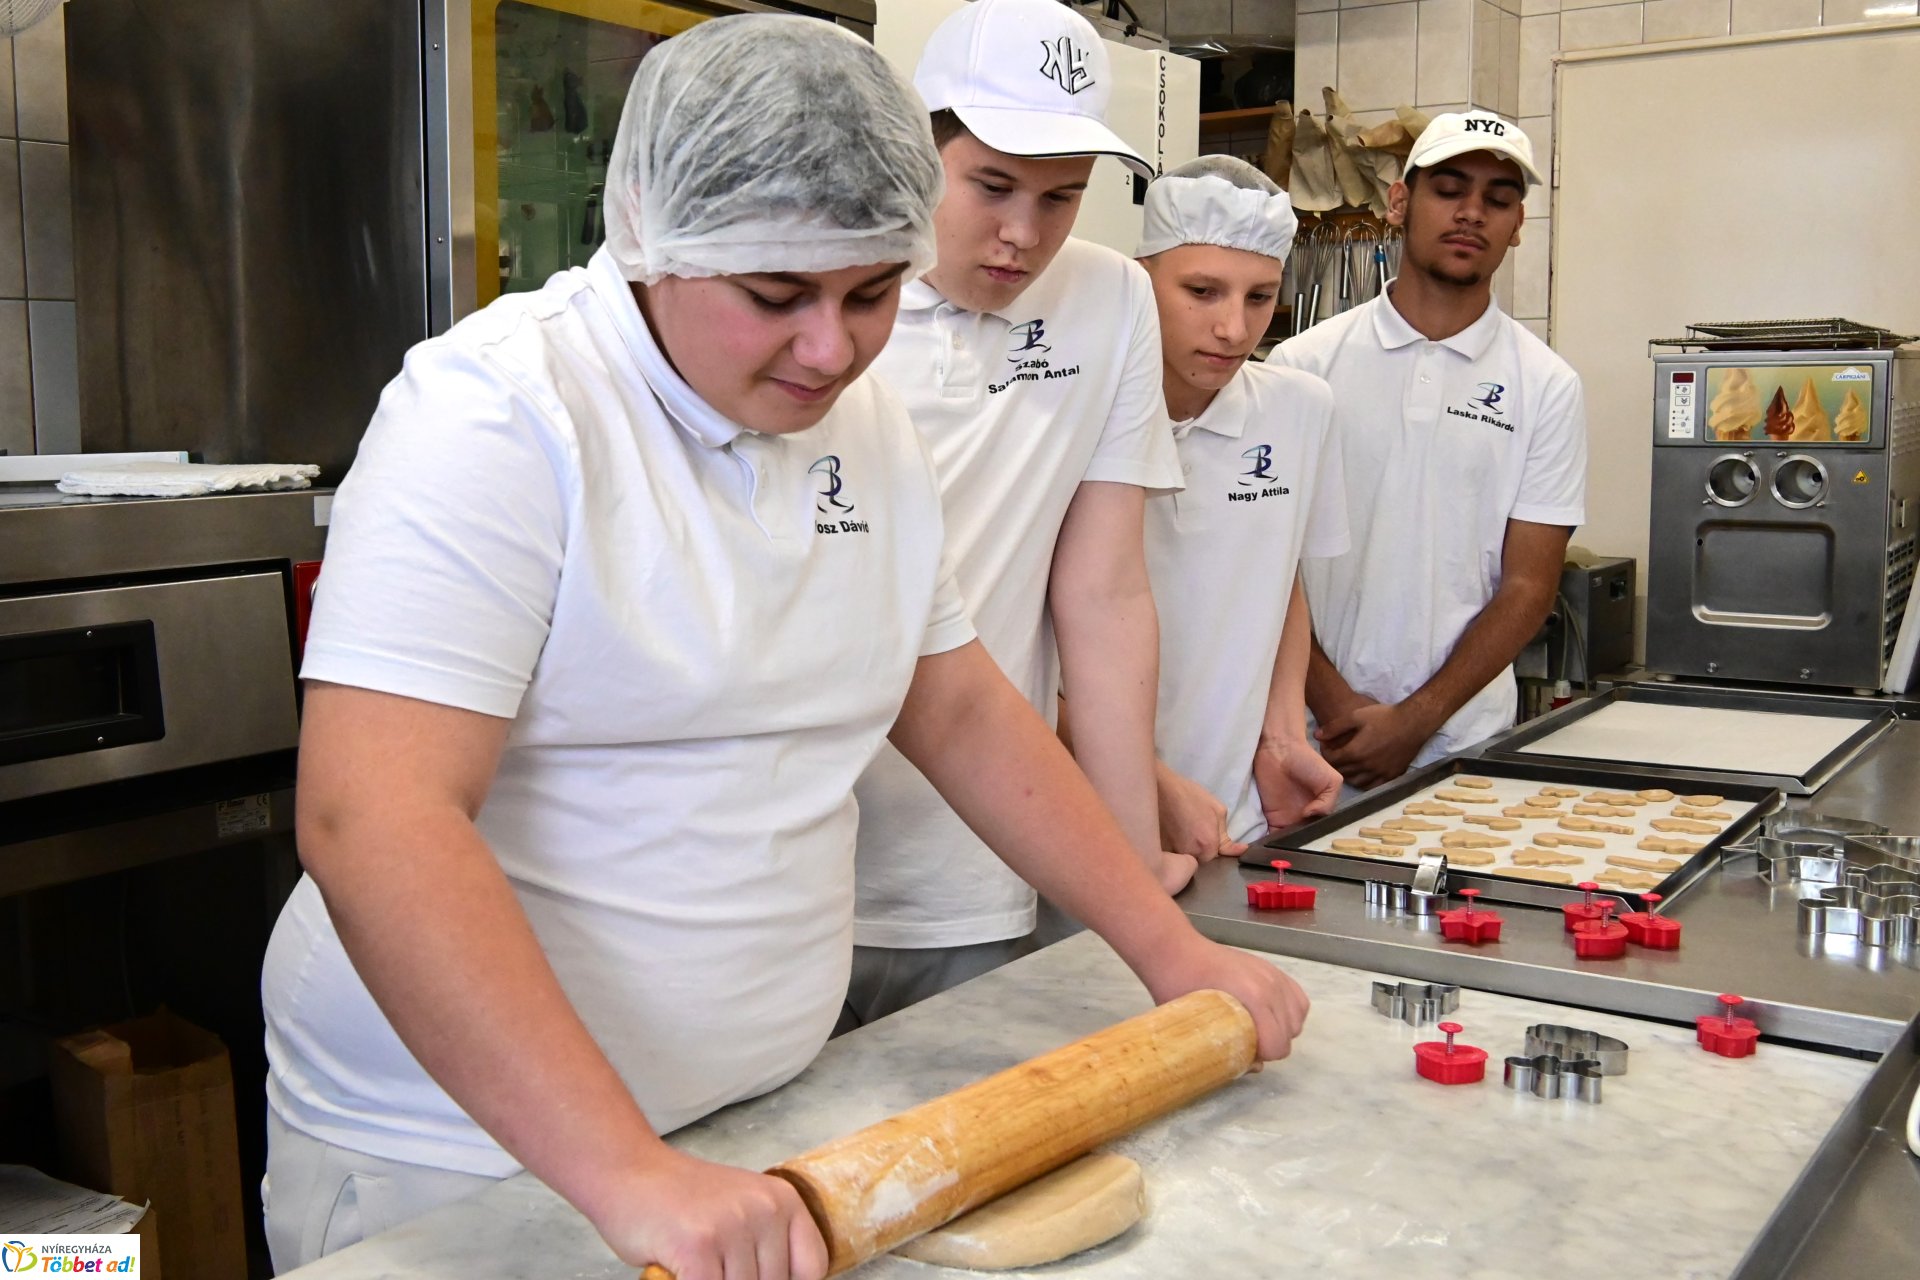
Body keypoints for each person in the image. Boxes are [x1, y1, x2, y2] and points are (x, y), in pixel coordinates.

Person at [260, 16, 1307, 1278]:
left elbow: (962, 708)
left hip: (755, 1133)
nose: (831, 349)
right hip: (474, 1158)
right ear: (652, 233)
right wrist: (626, 1172)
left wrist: (1170, 949)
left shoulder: (859, 429)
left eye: (871, 294)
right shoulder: (497, 418)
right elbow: (374, 817)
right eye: (777, 296)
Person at [846, 0, 1188, 1026]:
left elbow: (1106, 593)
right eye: (991, 186)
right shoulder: (824, 300)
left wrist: (1126, 874)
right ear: (920, 147)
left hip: (987, 859)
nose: (1022, 234)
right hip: (794, 870)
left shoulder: (1112, 300)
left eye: (1061, 197)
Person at [1268, 110, 1588, 791]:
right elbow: (1263, 558)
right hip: (1303, 741)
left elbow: (1530, 586)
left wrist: (1417, 719)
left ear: (1518, 227)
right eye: (1449, 190)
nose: (1472, 213)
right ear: (1399, 202)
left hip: (1461, 747)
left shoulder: (1547, 386)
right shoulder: (1303, 365)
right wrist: (1332, 705)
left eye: (1498, 200)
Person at [1131, 157, 1347, 855]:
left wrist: (1282, 737)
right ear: (1141, 280)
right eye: (1202, 291)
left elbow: (1278, 578)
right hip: (1094, 815)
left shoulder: (1298, 409)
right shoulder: (1075, 416)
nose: (1233, 328)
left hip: (1237, 819)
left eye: (1260, 298)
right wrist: (1151, 785)